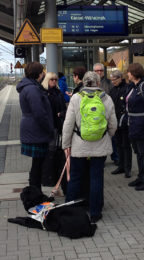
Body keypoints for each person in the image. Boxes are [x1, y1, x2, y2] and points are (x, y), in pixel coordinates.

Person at [62, 71, 117, 223]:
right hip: (100, 145)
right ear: (98, 83)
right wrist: (109, 135)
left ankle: (70, 210)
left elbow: (68, 124)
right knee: (96, 178)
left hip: (79, 145)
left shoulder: (76, 98)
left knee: (75, 178)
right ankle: (95, 212)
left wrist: (66, 144)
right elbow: (113, 123)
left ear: (84, 83)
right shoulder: (107, 98)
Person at [16, 62, 54, 191]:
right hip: (36, 130)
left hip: (32, 129)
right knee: (38, 165)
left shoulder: (29, 87)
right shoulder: (32, 89)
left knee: (37, 164)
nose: (44, 74)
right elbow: (39, 113)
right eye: (42, 71)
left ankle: (35, 191)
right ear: (38, 74)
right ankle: (35, 193)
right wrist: (49, 128)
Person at [126, 63, 144, 191]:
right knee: (138, 152)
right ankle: (141, 176)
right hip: (134, 124)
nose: (127, 74)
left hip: (142, 125)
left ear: (133, 73)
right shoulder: (135, 86)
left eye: (128, 72)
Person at [41, 72, 66, 188]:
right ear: (47, 80)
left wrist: (61, 114)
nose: (54, 82)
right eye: (51, 80)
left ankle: (56, 176)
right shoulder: (44, 94)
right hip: (49, 127)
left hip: (58, 126)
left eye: (55, 80)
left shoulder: (59, 93)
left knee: (57, 151)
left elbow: (64, 109)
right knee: (50, 152)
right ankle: (49, 178)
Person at [93, 62, 118, 164]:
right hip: (95, 115)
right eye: (97, 70)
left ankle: (115, 157)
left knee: (112, 137)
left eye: (101, 70)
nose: (99, 72)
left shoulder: (109, 83)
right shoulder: (91, 83)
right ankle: (101, 159)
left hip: (107, 113)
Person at [109, 70, 132, 178]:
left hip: (125, 121)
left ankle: (128, 168)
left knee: (126, 145)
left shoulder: (127, 88)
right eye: (111, 80)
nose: (113, 82)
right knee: (118, 145)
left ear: (120, 78)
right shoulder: (112, 90)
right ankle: (121, 165)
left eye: (114, 80)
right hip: (115, 120)